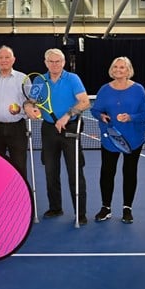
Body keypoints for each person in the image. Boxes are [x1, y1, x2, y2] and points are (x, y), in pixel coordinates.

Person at [23, 48, 90, 225]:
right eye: (51, 62)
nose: (55, 65)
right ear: (45, 63)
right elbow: (30, 101)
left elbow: (84, 102)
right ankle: (55, 207)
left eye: (58, 61)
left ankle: (80, 213)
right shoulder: (40, 80)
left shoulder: (72, 79)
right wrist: (29, 108)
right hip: (49, 130)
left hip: (70, 128)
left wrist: (67, 115)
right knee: (50, 171)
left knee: (75, 172)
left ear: (63, 63)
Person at [90, 57, 145, 224]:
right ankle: (105, 207)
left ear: (128, 70)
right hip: (110, 139)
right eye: (115, 67)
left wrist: (130, 117)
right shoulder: (104, 90)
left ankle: (127, 208)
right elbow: (95, 110)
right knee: (107, 173)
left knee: (130, 173)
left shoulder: (138, 89)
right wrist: (101, 116)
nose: (118, 70)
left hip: (133, 139)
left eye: (122, 67)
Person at [0, 46, 29, 179]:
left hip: (17, 130)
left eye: (7, 57)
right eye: (1, 58)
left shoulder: (23, 79)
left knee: (19, 168)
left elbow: (30, 103)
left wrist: (19, 110)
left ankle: (20, 199)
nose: (4, 60)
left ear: (13, 60)